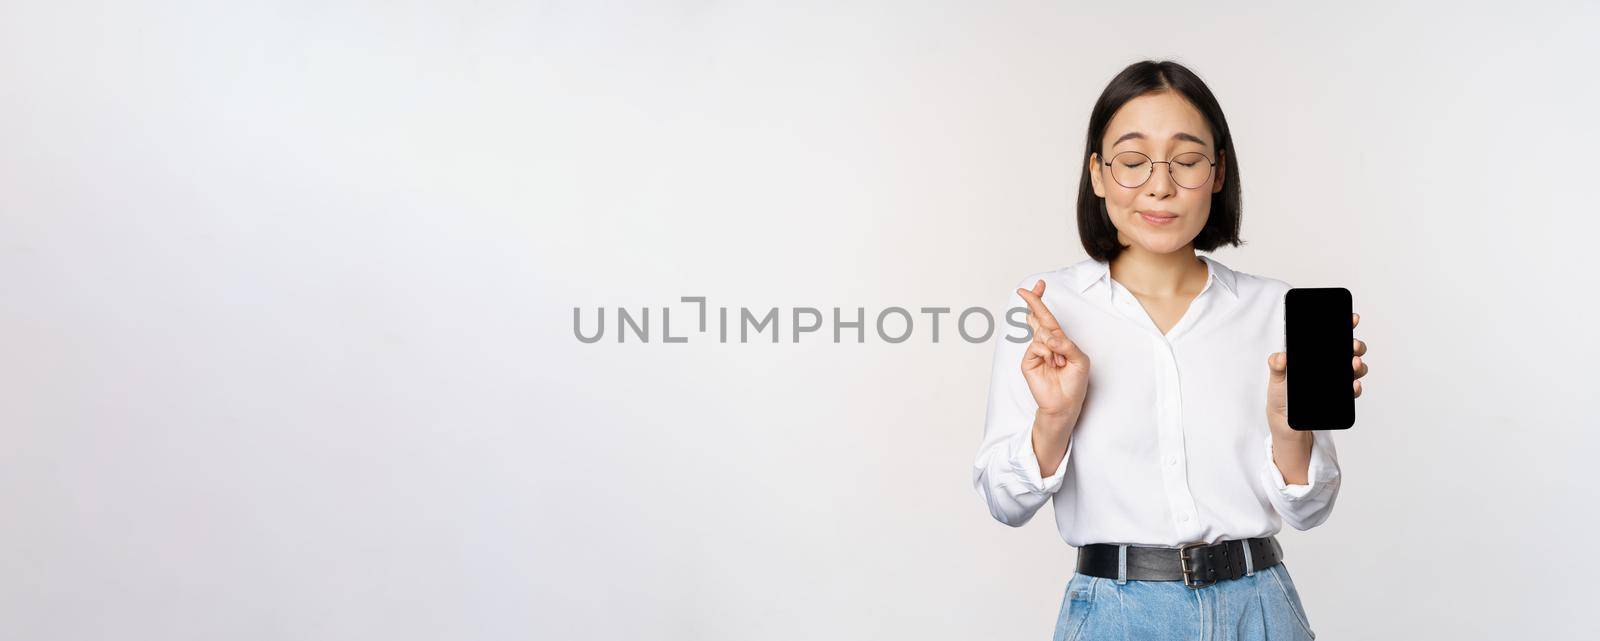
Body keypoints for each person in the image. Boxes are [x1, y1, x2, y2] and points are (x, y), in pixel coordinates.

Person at [971, 60, 1370, 641]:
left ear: (1217, 173)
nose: (1161, 185)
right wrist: (1053, 419)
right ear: (1098, 174)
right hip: (1116, 615)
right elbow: (1003, 502)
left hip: (1260, 609)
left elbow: (1309, 512)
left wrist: (1290, 430)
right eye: (1133, 163)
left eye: (1186, 161)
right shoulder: (1048, 309)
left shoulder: (1275, 310)